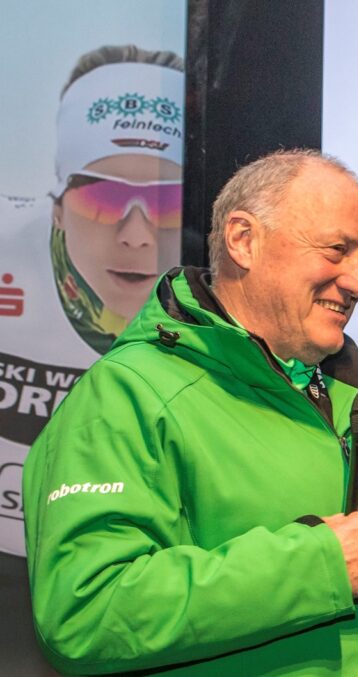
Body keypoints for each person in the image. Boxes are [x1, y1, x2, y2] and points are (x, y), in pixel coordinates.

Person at [23, 150, 358, 675]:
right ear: (243, 240)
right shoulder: (130, 394)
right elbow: (84, 610)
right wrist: (318, 567)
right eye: (338, 251)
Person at [0, 44, 184, 554]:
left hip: (138, 571)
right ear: (57, 208)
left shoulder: (230, 290)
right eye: (103, 197)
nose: (136, 235)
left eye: (167, 201)